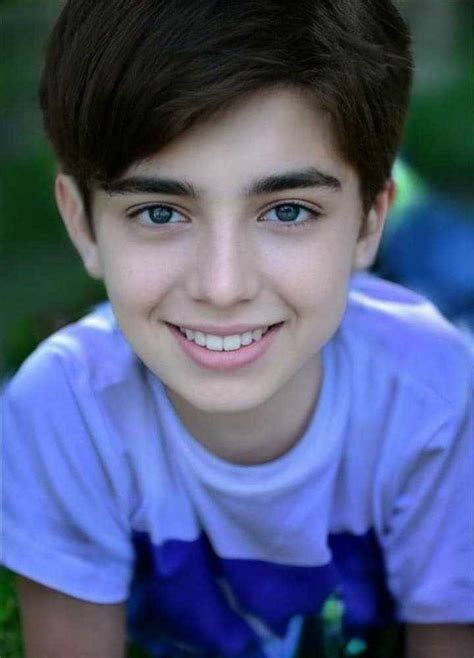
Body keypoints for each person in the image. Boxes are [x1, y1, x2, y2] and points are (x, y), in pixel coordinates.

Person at [1, 1, 473, 657]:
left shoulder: (440, 394)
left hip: (418, 315)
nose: (222, 287)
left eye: (286, 208)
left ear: (367, 220)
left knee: (452, 267)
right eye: (161, 213)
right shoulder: (63, 409)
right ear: (83, 224)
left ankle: (413, 213)